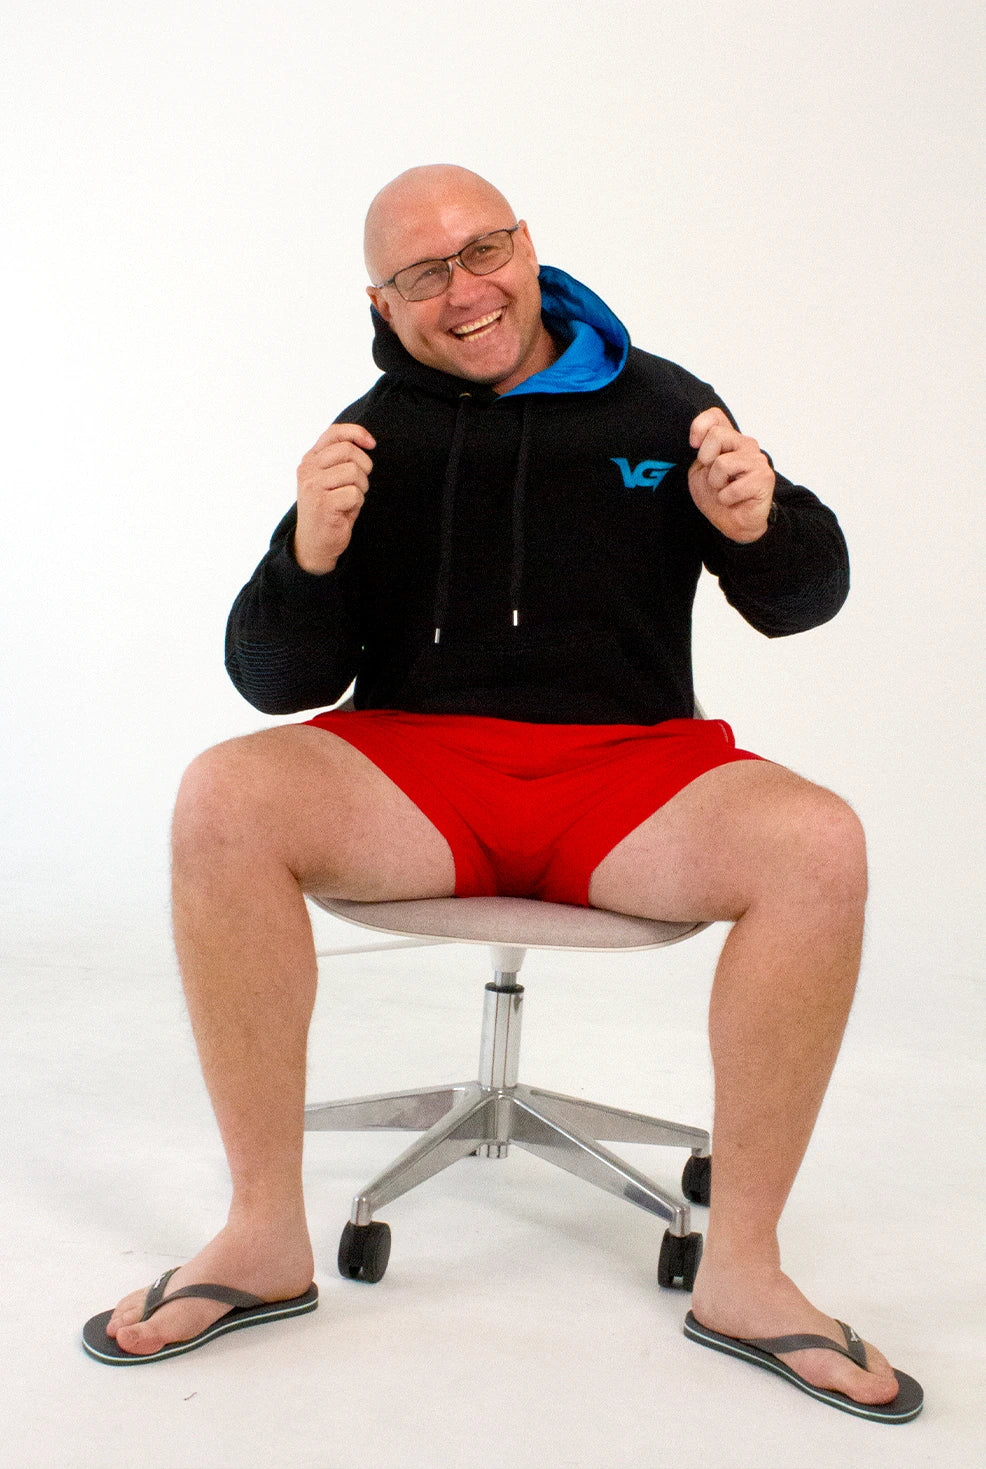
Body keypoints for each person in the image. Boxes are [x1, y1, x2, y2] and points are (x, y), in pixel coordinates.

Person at [82, 165, 921, 1421]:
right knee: (224, 793)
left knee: (819, 842)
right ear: (381, 298)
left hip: (628, 775)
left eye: (483, 250)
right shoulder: (374, 429)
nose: (462, 290)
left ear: (528, 247)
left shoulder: (663, 403)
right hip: (415, 773)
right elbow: (275, 677)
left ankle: (744, 1271)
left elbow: (800, 601)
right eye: (423, 274)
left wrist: (760, 521)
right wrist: (306, 552)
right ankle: (261, 1237)